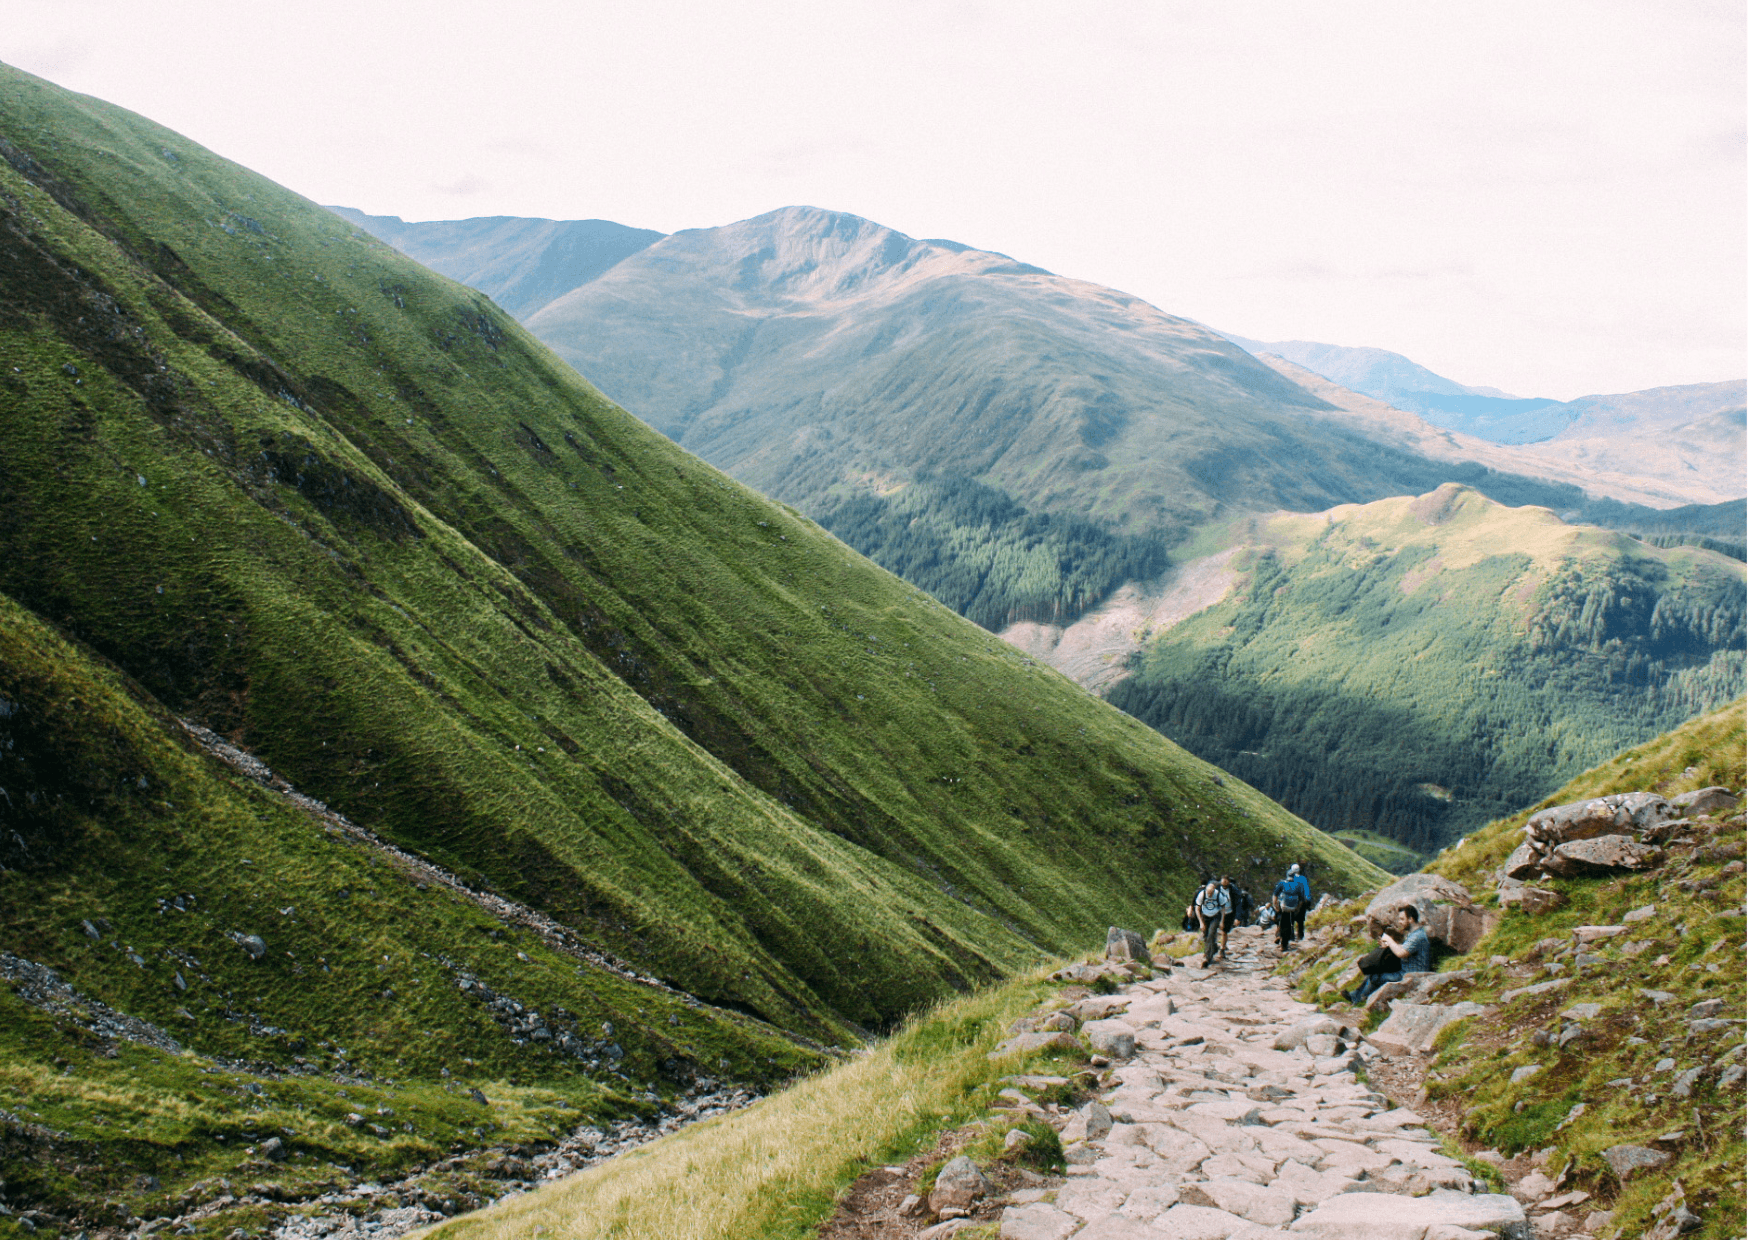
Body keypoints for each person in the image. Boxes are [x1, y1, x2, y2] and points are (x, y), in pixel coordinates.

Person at [1347, 904, 1432, 1005]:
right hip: (1406, 971)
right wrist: (1389, 945)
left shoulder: (1418, 936)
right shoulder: (1415, 933)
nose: (1400, 922)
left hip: (1412, 974)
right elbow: (1406, 948)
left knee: (1376, 977)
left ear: (1411, 919)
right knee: (1375, 971)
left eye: (1402, 919)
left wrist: (1389, 940)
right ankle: (1355, 995)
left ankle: (1360, 999)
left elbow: (1401, 953)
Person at [1271, 864, 1310, 951]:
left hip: (1283, 908)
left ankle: (1280, 937)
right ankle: (1285, 943)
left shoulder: (1282, 883)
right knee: (1289, 925)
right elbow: (1301, 899)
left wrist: (1276, 906)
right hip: (1292, 909)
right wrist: (1297, 908)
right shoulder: (1298, 886)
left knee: (1281, 923)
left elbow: (1275, 896)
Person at [1195, 876, 1231, 967]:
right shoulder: (1202, 894)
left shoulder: (1218, 895)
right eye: (1208, 893)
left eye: (1211, 893)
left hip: (1215, 916)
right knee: (1206, 936)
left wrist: (1222, 921)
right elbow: (1197, 908)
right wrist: (1201, 922)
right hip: (1205, 916)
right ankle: (1214, 948)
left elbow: (1223, 908)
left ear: (1214, 890)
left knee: (1211, 934)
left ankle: (1207, 957)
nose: (1209, 895)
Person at [1217, 876, 1238, 956]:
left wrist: (1237, 917)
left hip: (1229, 912)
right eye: (1223, 881)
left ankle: (1222, 948)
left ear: (1229, 882)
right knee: (1214, 929)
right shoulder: (1216, 888)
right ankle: (1213, 946)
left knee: (1225, 931)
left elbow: (1238, 903)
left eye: (1226, 881)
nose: (1224, 883)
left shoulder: (1233, 890)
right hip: (1217, 912)